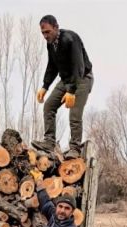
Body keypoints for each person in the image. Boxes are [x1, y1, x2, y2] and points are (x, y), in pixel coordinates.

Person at [33, 14, 94, 159]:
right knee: (49, 106)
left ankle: (74, 148)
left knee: (74, 113)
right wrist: (45, 86)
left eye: (47, 32)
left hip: (82, 78)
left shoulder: (70, 39)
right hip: (66, 80)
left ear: (56, 27)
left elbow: (78, 66)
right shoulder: (51, 44)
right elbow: (52, 66)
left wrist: (71, 91)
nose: (45, 36)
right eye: (42, 33)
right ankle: (49, 142)